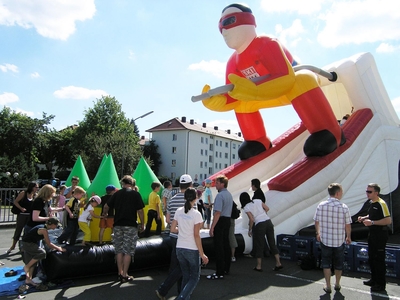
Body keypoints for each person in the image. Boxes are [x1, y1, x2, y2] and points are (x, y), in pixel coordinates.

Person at [201, 3, 345, 160]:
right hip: (264, 94)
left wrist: (254, 91)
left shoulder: (266, 43)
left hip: (295, 87)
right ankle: (257, 141)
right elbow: (234, 95)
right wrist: (218, 102)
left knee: (303, 78)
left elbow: (286, 77)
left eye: (228, 22)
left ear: (248, 21)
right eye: (220, 26)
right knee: (242, 100)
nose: (224, 30)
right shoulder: (232, 62)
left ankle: (329, 131)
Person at [156, 174, 193, 300]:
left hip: (173, 235)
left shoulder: (172, 199)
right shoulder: (190, 200)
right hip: (186, 237)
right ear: (190, 185)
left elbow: (167, 219)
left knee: (176, 264)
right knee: (185, 265)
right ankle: (167, 290)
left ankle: (174, 291)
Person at [103, 175, 145, 283]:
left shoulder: (117, 194)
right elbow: (140, 211)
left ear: (123, 184)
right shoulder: (135, 194)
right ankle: (125, 274)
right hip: (130, 225)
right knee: (128, 251)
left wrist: (105, 214)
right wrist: (142, 223)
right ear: (132, 184)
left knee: (119, 250)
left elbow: (106, 206)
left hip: (118, 225)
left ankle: (119, 273)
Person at [170, 187, 209, 300]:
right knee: (194, 277)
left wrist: (182, 230)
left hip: (179, 248)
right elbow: (196, 235)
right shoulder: (196, 214)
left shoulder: (178, 211)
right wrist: (202, 254)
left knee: (186, 275)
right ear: (196, 198)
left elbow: (172, 229)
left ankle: (183, 297)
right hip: (191, 248)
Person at [314, 183, 352, 294]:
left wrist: (318, 233)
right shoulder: (343, 207)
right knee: (339, 263)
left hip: (325, 238)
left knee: (326, 262)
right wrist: (348, 236)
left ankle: (328, 285)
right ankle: (337, 283)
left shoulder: (321, 205)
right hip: (339, 240)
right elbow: (348, 224)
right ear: (337, 193)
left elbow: (316, 221)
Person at [358, 183, 392, 292]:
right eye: (367, 191)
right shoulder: (372, 203)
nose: (367, 193)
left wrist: (372, 222)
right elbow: (373, 215)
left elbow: (388, 220)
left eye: (370, 191)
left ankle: (381, 284)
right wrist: (364, 218)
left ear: (376, 193)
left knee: (379, 259)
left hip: (380, 235)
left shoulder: (382, 203)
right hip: (372, 234)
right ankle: (374, 279)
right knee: (371, 258)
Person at [19, 217, 66, 293]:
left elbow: (43, 240)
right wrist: (59, 248)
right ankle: (26, 267)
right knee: (42, 253)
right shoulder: (43, 230)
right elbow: (49, 243)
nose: (56, 227)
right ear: (52, 224)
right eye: (56, 225)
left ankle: (28, 280)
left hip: (27, 243)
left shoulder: (44, 228)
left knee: (33, 263)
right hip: (27, 244)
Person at [239, 192, 283, 272]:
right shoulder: (257, 200)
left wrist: (250, 229)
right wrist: (263, 214)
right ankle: (278, 262)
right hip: (268, 221)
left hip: (259, 224)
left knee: (260, 244)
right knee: (272, 243)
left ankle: (259, 266)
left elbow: (251, 219)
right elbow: (267, 208)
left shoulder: (246, 207)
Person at [207, 175, 233, 280]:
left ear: (222, 184)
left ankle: (219, 272)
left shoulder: (220, 196)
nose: (215, 185)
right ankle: (226, 268)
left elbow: (217, 213)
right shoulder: (229, 195)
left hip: (221, 221)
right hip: (227, 220)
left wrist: (212, 227)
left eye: (217, 183)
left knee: (219, 247)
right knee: (226, 245)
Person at [7, 181, 39, 254]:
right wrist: (21, 208)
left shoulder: (35, 195)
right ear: (31, 187)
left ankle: (24, 247)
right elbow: (15, 202)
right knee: (18, 230)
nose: (37, 188)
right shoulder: (23, 193)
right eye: (36, 187)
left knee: (27, 231)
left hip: (30, 216)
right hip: (22, 215)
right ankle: (13, 246)